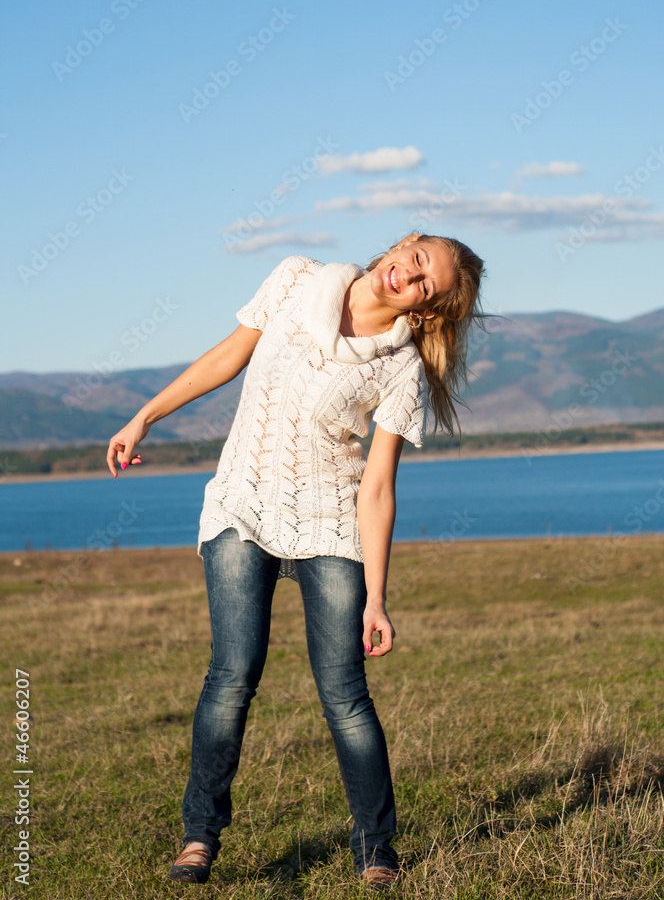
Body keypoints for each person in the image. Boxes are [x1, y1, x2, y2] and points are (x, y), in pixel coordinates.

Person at [106, 231, 486, 888]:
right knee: (230, 678)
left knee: (345, 697)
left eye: (428, 285)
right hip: (241, 509)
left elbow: (376, 487)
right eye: (417, 259)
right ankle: (199, 838)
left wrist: (376, 596)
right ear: (403, 243)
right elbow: (228, 357)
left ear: (426, 312)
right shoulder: (293, 280)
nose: (412, 276)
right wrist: (146, 416)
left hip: (331, 527)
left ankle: (376, 848)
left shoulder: (399, 371)